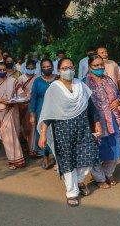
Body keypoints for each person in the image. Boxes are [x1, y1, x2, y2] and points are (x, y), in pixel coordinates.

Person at [37, 58, 100, 207]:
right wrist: (43, 134)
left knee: (90, 153)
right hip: (63, 130)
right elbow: (47, 113)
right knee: (68, 160)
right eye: (65, 68)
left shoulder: (80, 85)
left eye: (71, 67)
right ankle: (72, 192)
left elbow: (91, 106)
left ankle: (78, 181)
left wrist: (96, 123)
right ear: (59, 70)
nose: (69, 71)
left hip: (83, 128)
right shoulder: (54, 88)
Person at [84, 55, 120, 189]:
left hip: (112, 119)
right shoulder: (85, 83)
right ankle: (99, 177)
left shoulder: (109, 80)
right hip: (95, 121)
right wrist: (93, 122)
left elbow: (119, 94)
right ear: (90, 67)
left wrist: (118, 100)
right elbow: (85, 105)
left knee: (115, 147)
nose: (100, 67)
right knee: (95, 150)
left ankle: (108, 172)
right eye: (96, 65)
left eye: (101, 65)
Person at [0, 62, 26, 170]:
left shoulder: (13, 80)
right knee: (6, 137)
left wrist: (21, 98)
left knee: (15, 134)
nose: (2, 71)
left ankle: (17, 159)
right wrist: (0, 100)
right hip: (0, 112)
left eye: (4, 70)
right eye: (0, 70)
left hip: (13, 110)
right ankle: (13, 160)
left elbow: (21, 93)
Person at [97, 46, 120, 146]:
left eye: (106, 52)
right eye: (102, 53)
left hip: (116, 97)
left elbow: (119, 79)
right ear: (97, 55)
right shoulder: (96, 67)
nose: (105, 54)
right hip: (102, 100)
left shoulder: (113, 64)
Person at [29, 59, 57, 168]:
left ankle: (57, 157)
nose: (46, 68)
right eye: (44, 67)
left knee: (56, 133)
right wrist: (32, 114)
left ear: (52, 67)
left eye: (48, 66)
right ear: (41, 68)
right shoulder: (37, 81)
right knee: (43, 134)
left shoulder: (58, 79)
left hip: (57, 111)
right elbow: (34, 98)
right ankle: (45, 156)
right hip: (41, 111)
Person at [17, 60, 38, 152]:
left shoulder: (38, 78)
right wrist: (25, 97)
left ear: (35, 68)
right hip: (25, 105)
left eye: (32, 68)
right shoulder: (21, 78)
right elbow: (18, 91)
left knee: (35, 126)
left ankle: (33, 148)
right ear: (25, 68)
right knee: (27, 127)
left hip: (35, 104)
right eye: (28, 68)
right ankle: (27, 142)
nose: (30, 70)